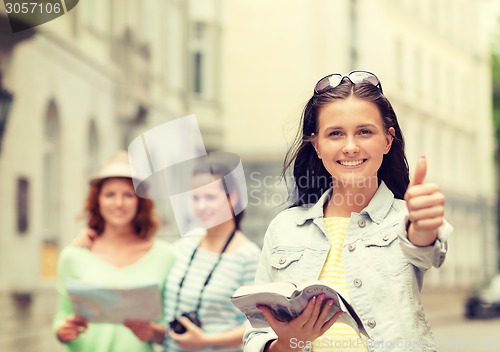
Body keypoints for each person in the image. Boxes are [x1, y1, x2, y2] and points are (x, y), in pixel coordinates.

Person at [243, 71, 453, 352]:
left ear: (387, 140)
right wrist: (288, 343)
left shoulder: (407, 218)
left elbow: (422, 246)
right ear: (317, 145)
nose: (351, 147)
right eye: (335, 134)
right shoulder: (284, 227)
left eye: (365, 132)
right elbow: (254, 335)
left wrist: (423, 226)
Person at [53, 151, 176, 352]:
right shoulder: (73, 256)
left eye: (128, 195)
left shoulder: (166, 257)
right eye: (110, 194)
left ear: (140, 201)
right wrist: (62, 331)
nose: (118, 204)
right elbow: (61, 316)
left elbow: (170, 326)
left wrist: (155, 333)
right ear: (97, 200)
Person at [161, 156, 261, 352]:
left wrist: (205, 340)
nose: (201, 207)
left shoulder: (249, 257)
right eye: (195, 198)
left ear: (233, 198)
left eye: (210, 197)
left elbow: (259, 326)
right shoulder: (186, 244)